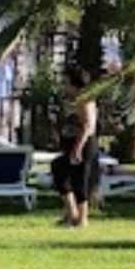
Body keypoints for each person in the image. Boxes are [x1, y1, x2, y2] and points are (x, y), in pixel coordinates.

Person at [51, 66, 99, 228]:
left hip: (83, 144)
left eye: (66, 82)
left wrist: (78, 148)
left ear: (74, 83)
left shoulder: (85, 100)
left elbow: (87, 126)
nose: (64, 86)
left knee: (79, 180)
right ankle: (72, 213)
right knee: (60, 170)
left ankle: (82, 219)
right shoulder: (72, 100)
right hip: (71, 142)